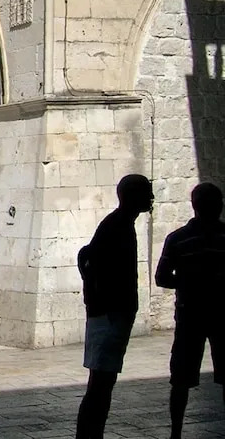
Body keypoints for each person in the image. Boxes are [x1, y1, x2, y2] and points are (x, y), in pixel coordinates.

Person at [76, 174, 154, 439]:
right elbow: (89, 258)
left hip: (110, 314)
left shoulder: (120, 224)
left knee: (103, 382)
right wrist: (101, 301)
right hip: (109, 316)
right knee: (100, 383)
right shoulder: (116, 225)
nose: (150, 197)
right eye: (146, 192)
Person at [153, 183, 225, 439]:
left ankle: (176, 433)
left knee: (181, 379)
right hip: (221, 315)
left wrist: (186, 282)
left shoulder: (177, 239)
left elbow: (161, 277)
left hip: (189, 315)